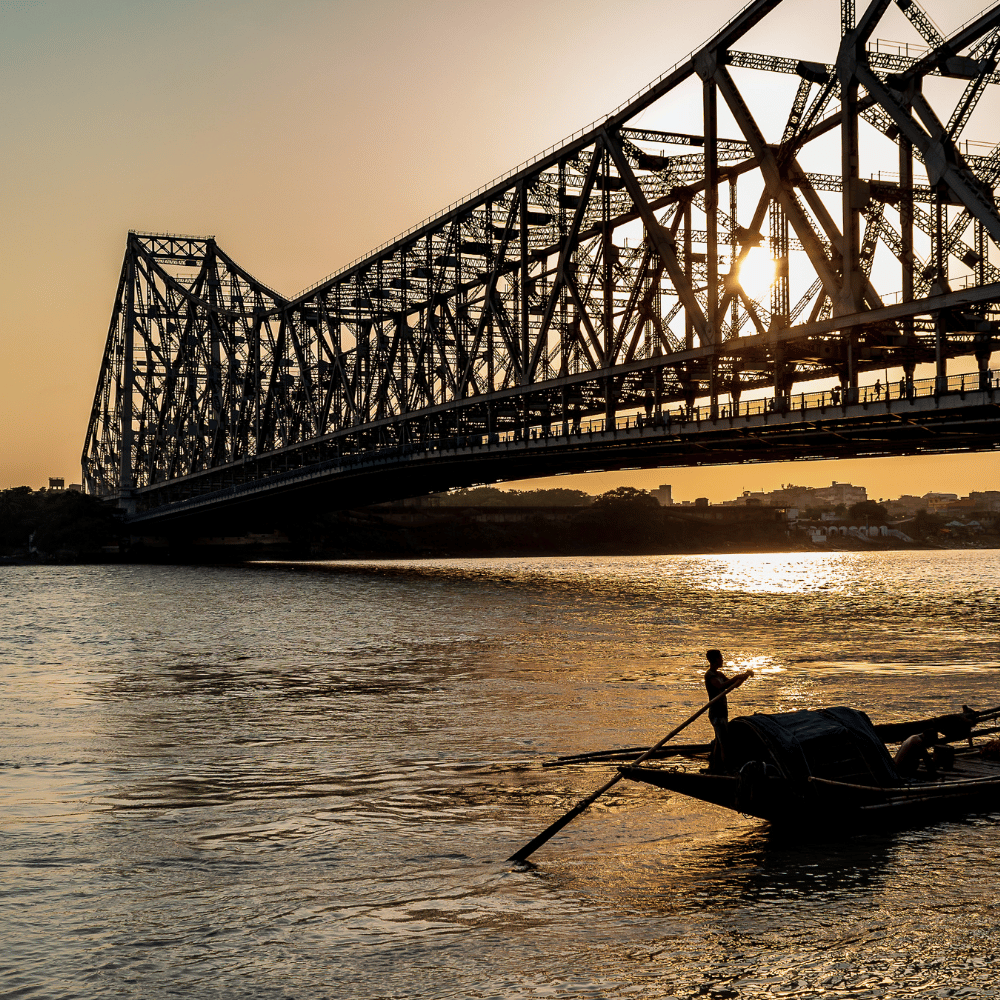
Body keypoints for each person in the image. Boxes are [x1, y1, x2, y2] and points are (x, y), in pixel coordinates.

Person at [704, 650, 752, 771]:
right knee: (724, 743)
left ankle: (714, 766)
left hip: (723, 712)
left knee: (719, 743)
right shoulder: (710, 675)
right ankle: (726, 769)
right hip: (716, 713)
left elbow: (733, 685)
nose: (722, 660)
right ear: (714, 660)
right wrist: (737, 677)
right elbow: (721, 686)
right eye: (720, 658)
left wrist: (744, 676)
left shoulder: (720, 674)